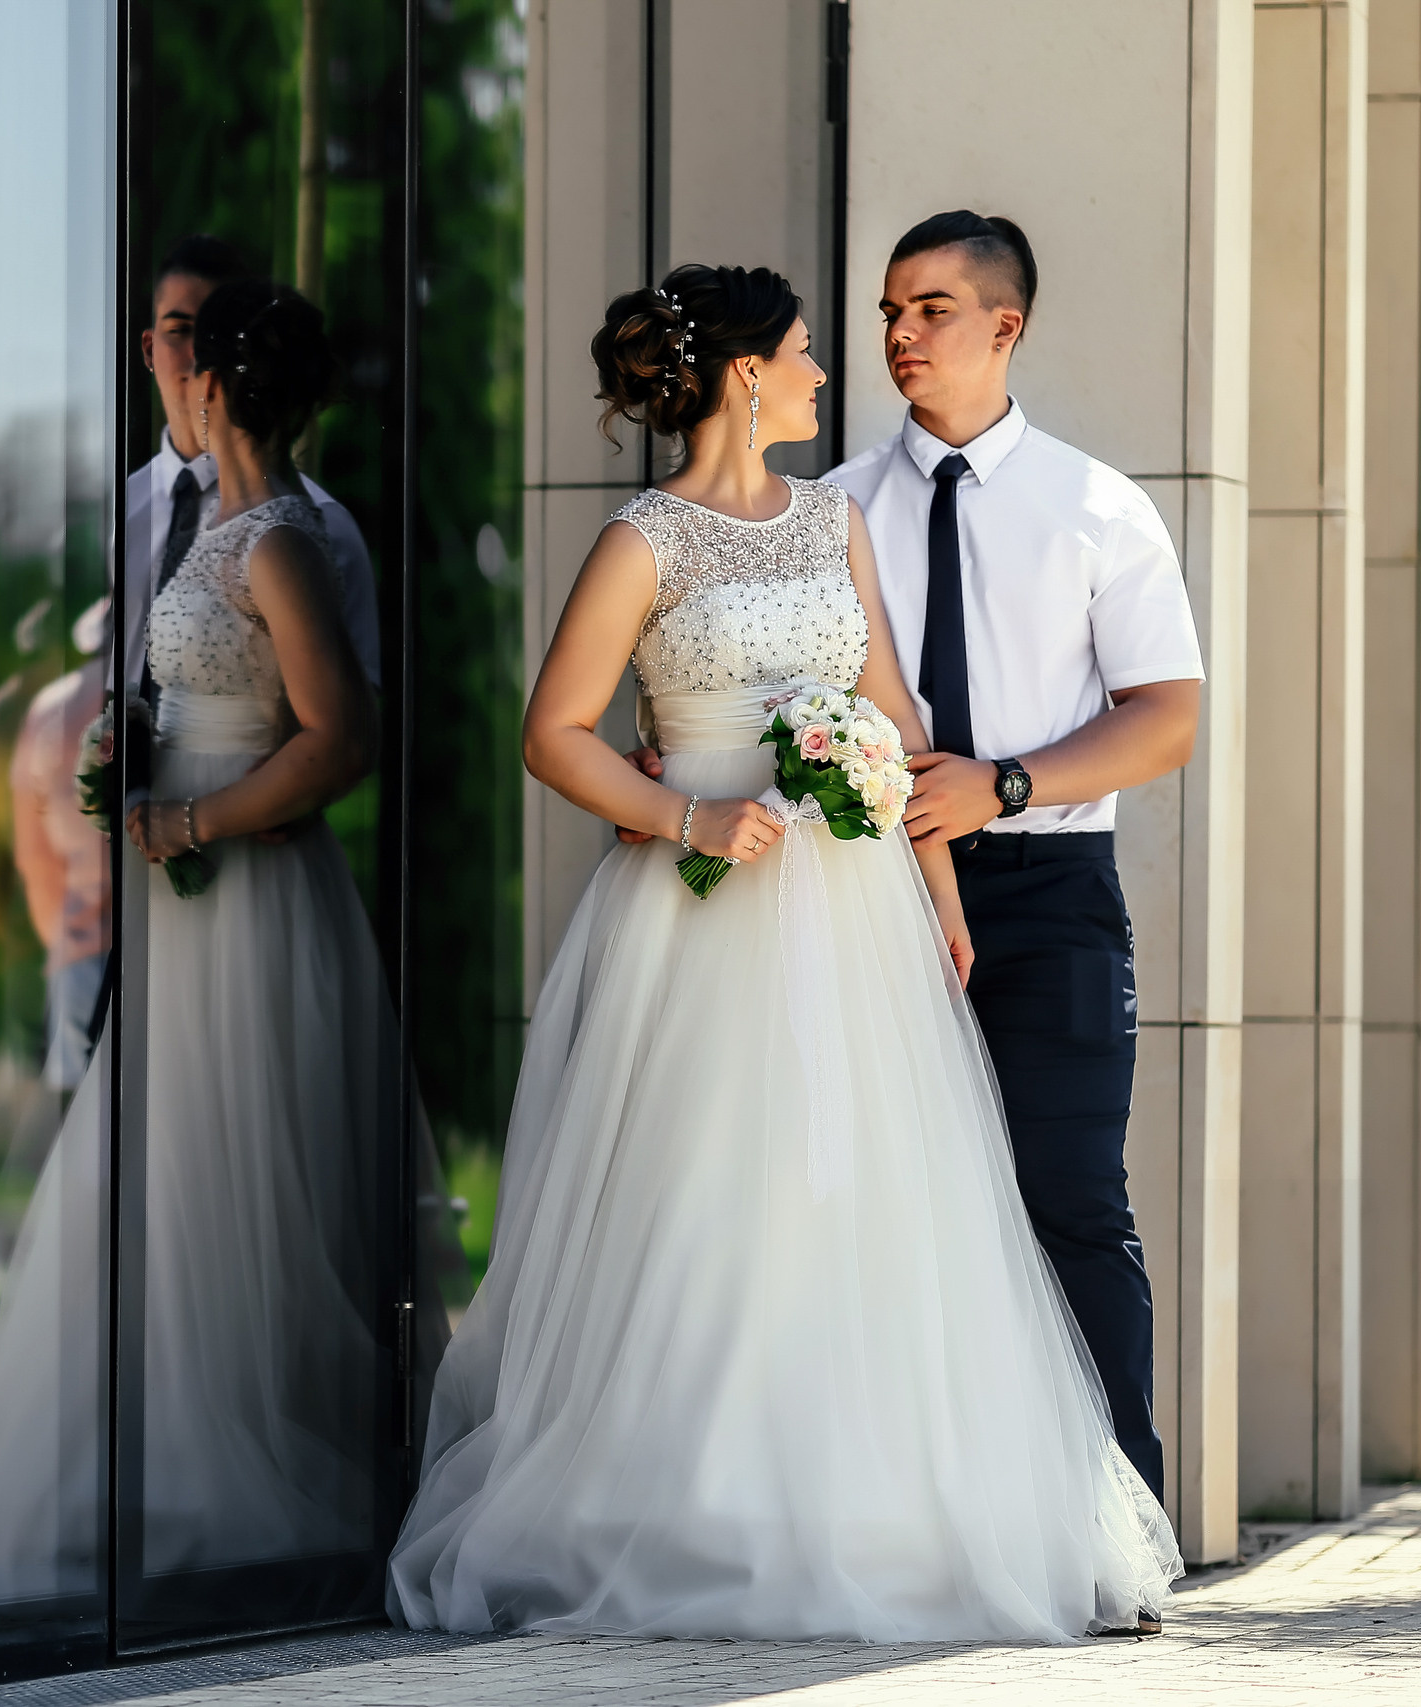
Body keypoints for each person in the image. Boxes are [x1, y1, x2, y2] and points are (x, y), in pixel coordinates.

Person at [387, 264, 1181, 1643]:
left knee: (867, 1200)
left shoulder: (834, 524)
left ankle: (869, 1501)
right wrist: (681, 808)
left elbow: (894, 711)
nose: (832, 371)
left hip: (855, 910)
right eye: (810, 352)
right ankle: (697, 1505)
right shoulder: (646, 538)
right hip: (696, 912)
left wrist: (938, 888)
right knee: (704, 1198)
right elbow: (555, 731)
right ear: (746, 375)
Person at [0, 280, 399, 1611]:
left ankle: (231, 1477)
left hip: (245, 892)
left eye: (185, 369)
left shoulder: (282, 537)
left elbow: (341, 737)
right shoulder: (221, 527)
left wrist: (186, 814)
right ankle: (155, 1456)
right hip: (187, 901)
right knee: (165, 1179)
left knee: (237, 1173)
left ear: (216, 392)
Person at [823, 211, 1203, 1514]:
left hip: (1051, 900)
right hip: (865, 899)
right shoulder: (832, 512)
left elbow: (1168, 714)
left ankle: (1120, 1522)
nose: (901, 335)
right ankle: (915, 1523)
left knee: (1071, 1201)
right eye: (887, 310)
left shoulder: (1099, 508)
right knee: (880, 1211)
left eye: (930, 308)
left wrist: (1009, 783)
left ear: (1007, 326)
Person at [126, 235, 380, 702]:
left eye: (214, 343)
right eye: (181, 331)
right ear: (148, 348)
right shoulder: (116, 515)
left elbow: (343, 730)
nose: (195, 361)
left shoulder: (325, 530)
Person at [9, 596, 113, 1091]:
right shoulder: (168, 697)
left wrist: (68, 934)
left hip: (81, 947)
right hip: (179, 940)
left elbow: (33, 856)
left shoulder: (51, 710)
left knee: (88, 1135)